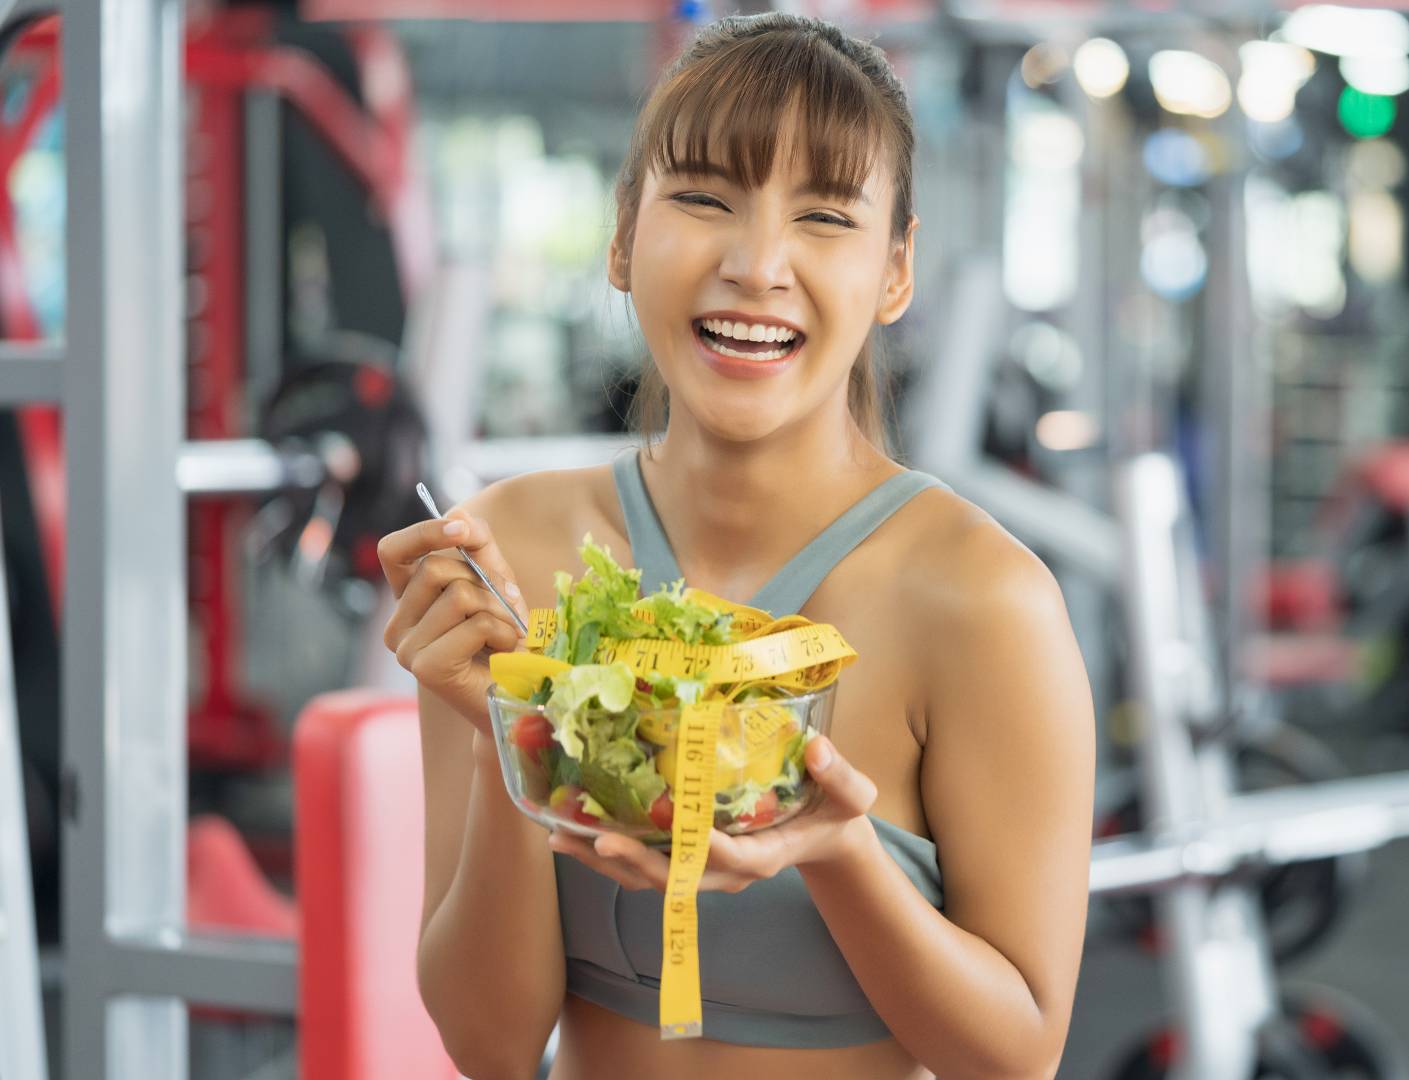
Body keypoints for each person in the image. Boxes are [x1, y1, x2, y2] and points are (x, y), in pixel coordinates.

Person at [375, 13, 1096, 1079]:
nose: (758, 266)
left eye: (823, 218)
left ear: (895, 272)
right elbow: (490, 1046)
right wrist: (506, 741)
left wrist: (838, 849)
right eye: (705, 200)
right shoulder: (515, 548)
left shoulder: (983, 601)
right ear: (623, 237)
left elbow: (1019, 1057)